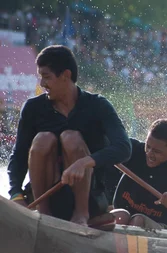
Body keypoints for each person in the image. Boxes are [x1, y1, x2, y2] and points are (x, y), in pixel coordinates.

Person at [7, 45, 131, 226]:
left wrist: (85, 162)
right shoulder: (33, 108)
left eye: (46, 77)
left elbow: (123, 148)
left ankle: (81, 215)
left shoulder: (98, 105)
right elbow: (18, 156)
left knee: (71, 138)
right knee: (43, 139)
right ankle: (44, 214)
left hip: (90, 200)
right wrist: (15, 194)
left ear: (66, 75)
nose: (42, 84)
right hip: (46, 196)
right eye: (40, 77)